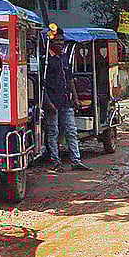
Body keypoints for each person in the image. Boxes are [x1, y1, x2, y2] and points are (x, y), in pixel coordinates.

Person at [43, 25, 90, 172]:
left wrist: (75, 98)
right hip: (52, 102)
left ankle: (76, 161)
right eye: (58, 41)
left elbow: (69, 79)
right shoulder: (45, 60)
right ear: (51, 42)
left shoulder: (63, 58)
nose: (61, 43)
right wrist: (47, 102)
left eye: (62, 41)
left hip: (66, 100)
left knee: (71, 131)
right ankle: (55, 162)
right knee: (53, 132)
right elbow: (41, 84)